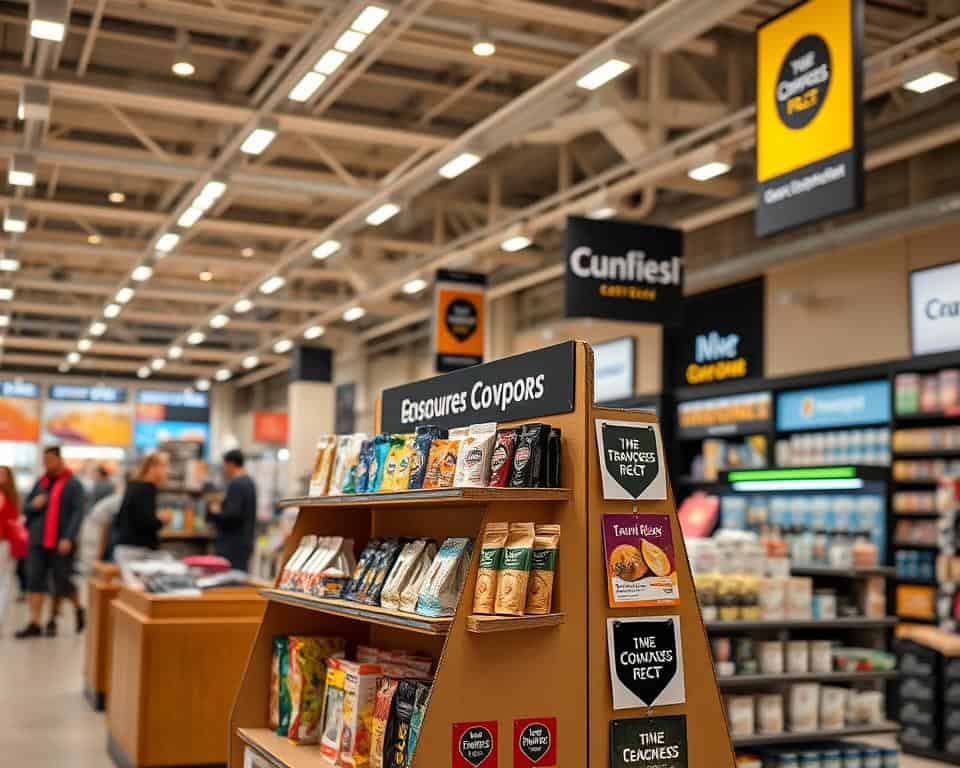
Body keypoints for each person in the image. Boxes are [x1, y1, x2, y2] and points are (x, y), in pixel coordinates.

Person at [15, 446, 86, 639]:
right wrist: (34, 504)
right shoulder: (41, 483)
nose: (47, 465)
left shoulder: (73, 484)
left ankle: (72, 610)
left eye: (50, 460)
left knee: (61, 581)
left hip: (60, 541)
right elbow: (26, 507)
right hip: (38, 539)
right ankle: (35, 622)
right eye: (45, 461)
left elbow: (78, 513)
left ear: (59, 460)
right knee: (35, 579)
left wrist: (68, 537)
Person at [103, 452, 169, 561]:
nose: (167, 471)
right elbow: (146, 522)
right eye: (164, 466)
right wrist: (161, 520)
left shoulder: (134, 485)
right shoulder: (146, 489)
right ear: (152, 468)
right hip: (135, 550)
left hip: (125, 547)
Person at [207, 449, 257, 571]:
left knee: (229, 582)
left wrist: (215, 511)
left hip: (232, 545)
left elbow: (232, 515)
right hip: (244, 542)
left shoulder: (237, 484)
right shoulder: (250, 482)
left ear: (230, 464)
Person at [0, 465, 21, 632]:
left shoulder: (11, 498)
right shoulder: (12, 498)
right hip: (6, 543)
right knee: (4, 583)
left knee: (5, 582)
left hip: (6, 543)